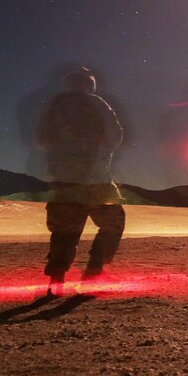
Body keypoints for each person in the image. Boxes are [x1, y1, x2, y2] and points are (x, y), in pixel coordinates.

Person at [35, 66, 125, 295]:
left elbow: (41, 139)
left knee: (64, 230)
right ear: (89, 84)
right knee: (113, 222)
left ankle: (56, 279)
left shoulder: (54, 107)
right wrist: (100, 152)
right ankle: (94, 272)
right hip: (96, 179)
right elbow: (115, 134)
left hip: (63, 179)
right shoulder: (97, 103)